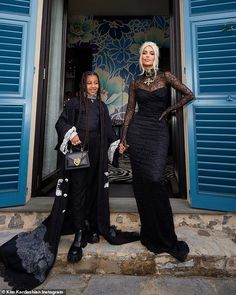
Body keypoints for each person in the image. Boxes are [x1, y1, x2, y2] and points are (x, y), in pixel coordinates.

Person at [0, 71, 139, 290]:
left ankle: (92, 226)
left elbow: (110, 134)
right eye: (89, 83)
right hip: (78, 154)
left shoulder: (102, 107)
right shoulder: (74, 104)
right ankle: (79, 233)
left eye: (96, 83)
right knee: (77, 191)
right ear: (83, 85)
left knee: (94, 189)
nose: (93, 86)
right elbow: (61, 123)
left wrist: (117, 146)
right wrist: (71, 134)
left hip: (97, 154)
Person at [119, 42, 195, 262]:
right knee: (142, 183)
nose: (148, 55)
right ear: (140, 57)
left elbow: (189, 94)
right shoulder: (135, 83)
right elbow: (130, 110)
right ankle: (151, 234)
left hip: (158, 131)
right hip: (138, 131)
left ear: (156, 57)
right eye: (144, 52)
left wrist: (170, 109)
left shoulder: (166, 76)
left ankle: (166, 235)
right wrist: (124, 136)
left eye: (151, 52)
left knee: (155, 178)